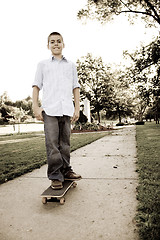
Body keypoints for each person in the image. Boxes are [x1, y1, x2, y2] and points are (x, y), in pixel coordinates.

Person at [32, 32, 81, 189]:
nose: (56, 44)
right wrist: (35, 106)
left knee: (65, 144)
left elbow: (76, 87)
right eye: (52, 42)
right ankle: (55, 176)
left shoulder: (71, 65)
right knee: (53, 145)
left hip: (66, 109)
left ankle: (66, 171)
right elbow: (36, 86)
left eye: (59, 41)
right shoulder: (43, 65)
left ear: (63, 44)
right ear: (48, 46)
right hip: (50, 110)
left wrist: (77, 108)